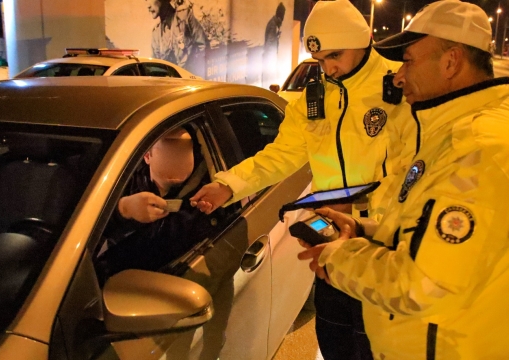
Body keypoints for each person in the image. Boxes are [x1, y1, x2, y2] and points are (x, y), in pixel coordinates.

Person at [299, 1, 509, 358]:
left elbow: (420, 285)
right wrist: (363, 228)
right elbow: (422, 231)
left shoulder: (479, 152)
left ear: (451, 61)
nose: (399, 75)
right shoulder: (453, 134)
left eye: (410, 60)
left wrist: (339, 257)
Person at [191, 0, 418, 358]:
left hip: (383, 245)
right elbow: (281, 156)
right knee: (335, 341)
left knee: (378, 347)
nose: (330, 68)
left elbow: (416, 169)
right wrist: (228, 185)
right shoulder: (314, 98)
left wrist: (359, 207)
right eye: (321, 60)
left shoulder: (402, 88)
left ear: (366, 38)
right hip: (331, 244)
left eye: (336, 56)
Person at [96, 127, 217, 280]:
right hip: (119, 284)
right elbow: (85, 228)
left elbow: (214, 246)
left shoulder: (206, 190)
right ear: (147, 156)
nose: (174, 159)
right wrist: (123, 209)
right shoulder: (120, 183)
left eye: (182, 152)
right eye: (167, 151)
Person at [173, 0, 207, 72]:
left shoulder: (188, 15)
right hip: (182, 65)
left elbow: (201, 44)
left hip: (193, 63)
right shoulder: (175, 18)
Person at [148, 0, 178, 64]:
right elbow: (155, 65)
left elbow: (202, 49)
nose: (148, 6)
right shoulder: (156, 33)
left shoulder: (184, 19)